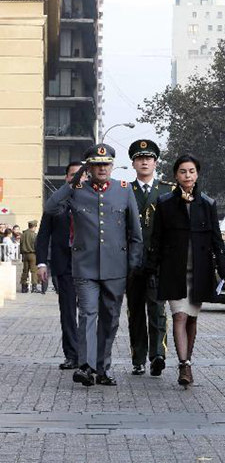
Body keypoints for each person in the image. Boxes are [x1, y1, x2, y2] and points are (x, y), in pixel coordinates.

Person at [44, 143, 143, 387]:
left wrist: (132, 265)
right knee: (88, 314)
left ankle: (103, 368)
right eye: (97, 164)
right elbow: (51, 208)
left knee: (110, 318)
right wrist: (74, 179)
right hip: (85, 266)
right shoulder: (77, 190)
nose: (102, 168)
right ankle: (86, 367)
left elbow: (135, 233)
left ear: (111, 165)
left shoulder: (123, 190)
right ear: (89, 167)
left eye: (106, 164)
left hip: (115, 267)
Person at [146, 154, 225, 387]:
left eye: (191, 171)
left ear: (197, 174)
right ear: (176, 175)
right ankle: (184, 365)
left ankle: (188, 359)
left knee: (191, 319)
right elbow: (157, 238)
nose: (187, 175)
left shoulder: (207, 203)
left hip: (200, 271)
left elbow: (216, 240)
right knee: (179, 316)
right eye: (183, 171)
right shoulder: (164, 203)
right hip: (174, 271)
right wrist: (151, 269)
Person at [126, 139, 175, 377]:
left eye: (149, 158)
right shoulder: (125, 190)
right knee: (135, 311)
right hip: (132, 263)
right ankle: (138, 358)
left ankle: (158, 355)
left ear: (155, 162)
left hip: (158, 262)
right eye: (139, 158)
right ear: (133, 163)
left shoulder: (168, 190)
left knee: (157, 310)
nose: (144, 162)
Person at [36, 161, 83, 370]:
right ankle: (72, 355)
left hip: (88, 265)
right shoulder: (55, 203)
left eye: (81, 175)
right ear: (66, 178)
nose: (77, 178)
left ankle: (89, 354)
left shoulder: (93, 200)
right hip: (63, 265)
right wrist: (41, 263)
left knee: (90, 312)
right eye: (73, 175)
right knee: (68, 312)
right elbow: (43, 234)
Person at [19, 220, 39, 293]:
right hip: (33, 254)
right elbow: (37, 246)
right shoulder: (34, 235)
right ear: (34, 226)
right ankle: (34, 287)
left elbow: (20, 245)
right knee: (34, 271)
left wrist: (21, 254)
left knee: (25, 271)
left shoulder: (23, 234)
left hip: (24, 254)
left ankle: (24, 287)